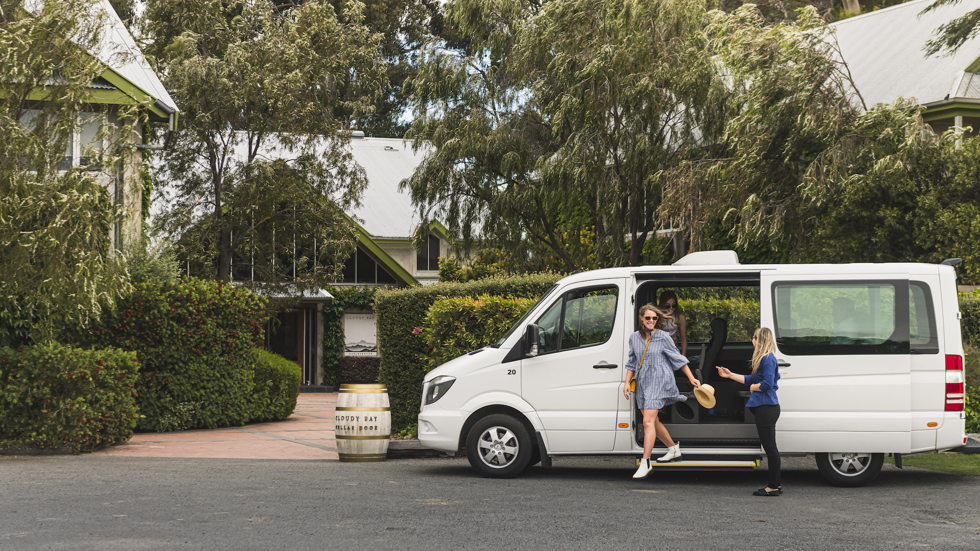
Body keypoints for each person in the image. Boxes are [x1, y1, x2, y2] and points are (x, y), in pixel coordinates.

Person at [624, 303, 701, 479]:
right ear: (641, 319)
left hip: (659, 381)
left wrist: (691, 377)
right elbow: (631, 362)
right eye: (648, 318)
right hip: (643, 382)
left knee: (647, 422)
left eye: (654, 318)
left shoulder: (663, 337)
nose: (651, 321)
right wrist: (627, 382)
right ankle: (673, 449)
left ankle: (646, 462)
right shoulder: (634, 338)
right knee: (654, 421)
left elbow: (678, 359)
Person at [716, 327, 781, 496]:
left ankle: (773, 486)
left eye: (754, 337)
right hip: (766, 407)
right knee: (770, 447)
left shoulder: (767, 359)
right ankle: (776, 485)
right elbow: (751, 378)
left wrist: (753, 388)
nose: (752, 340)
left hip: (766, 407)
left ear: (761, 341)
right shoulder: (766, 359)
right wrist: (730, 375)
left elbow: (766, 383)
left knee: (770, 448)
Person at [658, 290, 687, 355]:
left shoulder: (679, 316)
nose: (671, 308)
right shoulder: (657, 316)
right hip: (660, 346)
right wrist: (666, 316)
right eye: (667, 306)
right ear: (662, 305)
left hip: (673, 347)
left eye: (673, 305)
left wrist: (683, 355)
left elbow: (684, 339)